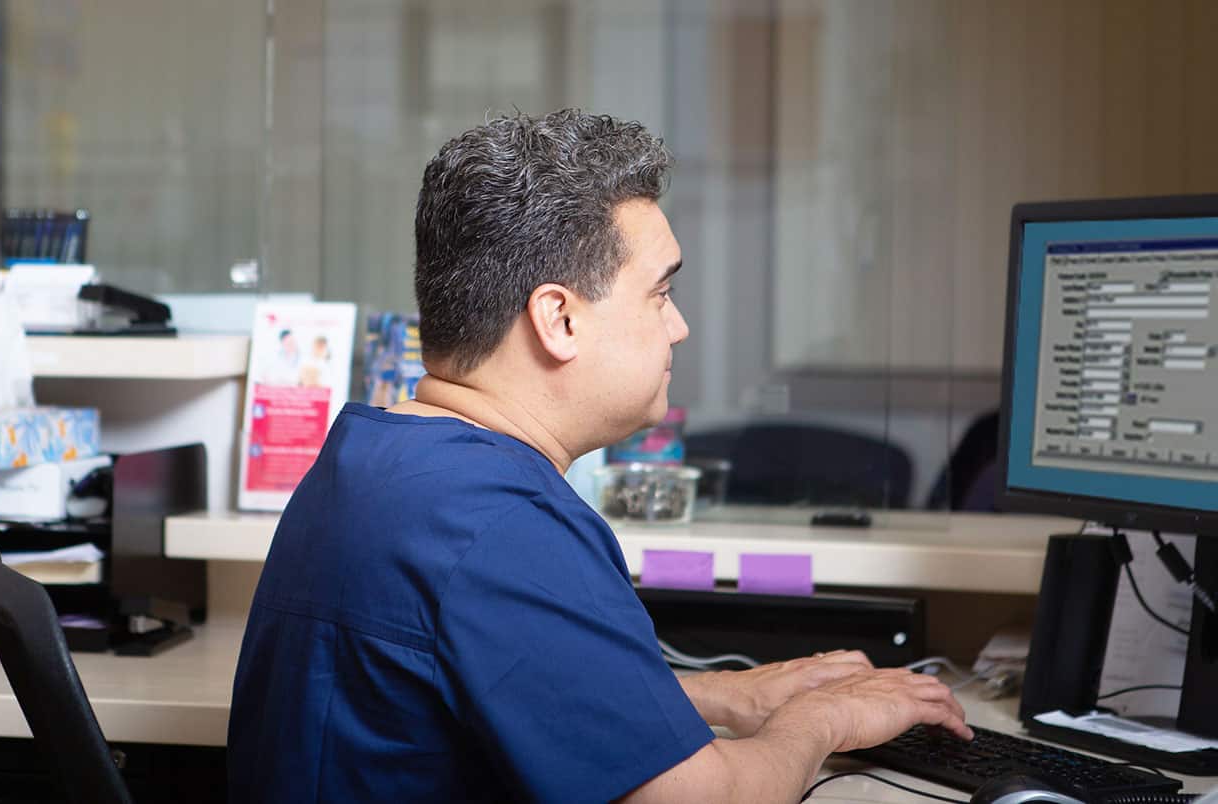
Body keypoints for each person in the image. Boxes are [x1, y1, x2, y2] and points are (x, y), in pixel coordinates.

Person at [227, 110, 971, 803]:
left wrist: (725, 696)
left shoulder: (372, 463)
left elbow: (503, 680)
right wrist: (827, 722)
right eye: (659, 293)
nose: (677, 327)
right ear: (559, 318)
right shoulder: (502, 526)